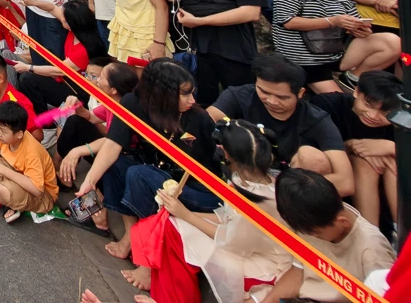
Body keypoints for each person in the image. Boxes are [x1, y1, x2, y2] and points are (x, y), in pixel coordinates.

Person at [125, 119, 295, 301]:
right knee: (171, 222)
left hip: (263, 266)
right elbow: (229, 220)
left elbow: (233, 241)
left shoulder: (263, 200)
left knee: (175, 230)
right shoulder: (248, 179)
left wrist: (187, 215)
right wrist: (183, 214)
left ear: (229, 155)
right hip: (244, 246)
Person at [75, 58, 223, 261]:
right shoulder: (133, 103)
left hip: (194, 189)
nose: (192, 100)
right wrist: (89, 182)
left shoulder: (198, 120)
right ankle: (131, 234)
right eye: (185, 94)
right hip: (156, 174)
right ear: (160, 94)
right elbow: (112, 144)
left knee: (139, 174)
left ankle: (146, 256)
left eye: (191, 92)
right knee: (116, 164)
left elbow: (203, 169)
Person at [206, 54, 354, 196]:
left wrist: (280, 190)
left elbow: (345, 183)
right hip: (242, 171)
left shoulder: (317, 120)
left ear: (301, 93)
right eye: (263, 91)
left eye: (282, 97)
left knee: (311, 156)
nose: (272, 101)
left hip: (291, 186)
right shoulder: (239, 97)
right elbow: (205, 122)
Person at [271, 0, 400, 92]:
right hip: (304, 60)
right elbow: (288, 22)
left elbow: (354, 19)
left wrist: (359, 29)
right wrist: (333, 21)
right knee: (341, 102)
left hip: (335, 54)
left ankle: (352, 78)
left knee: (391, 41)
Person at [270, 168, 395, 303]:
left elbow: (384, 296)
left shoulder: (371, 249)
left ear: (343, 222)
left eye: (316, 233)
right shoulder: (311, 219)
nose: (311, 235)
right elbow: (298, 272)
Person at [310, 71, 401, 228]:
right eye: (368, 105)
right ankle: (372, 233)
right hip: (337, 180)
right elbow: (311, 144)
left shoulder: (400, 123)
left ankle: (402, 232)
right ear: (357, 91)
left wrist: (391, 147)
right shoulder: (327, 105)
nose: (373, 115)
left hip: (385, 190)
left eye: (385, 113)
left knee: (393, 162)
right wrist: (351, 146)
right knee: (365, 162)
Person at [8, 0, 105, 114]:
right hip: (64, 80)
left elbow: (59, 70)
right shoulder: (75, 29)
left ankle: (45, 122)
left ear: (70, 24)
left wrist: (28, 68)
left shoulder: (83, 50)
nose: (60, 16)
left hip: (78, 92)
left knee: (28, 79)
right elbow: (52, 7)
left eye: (63, 17)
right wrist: (32, 2)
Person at [56, 59, 139, 188]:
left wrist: (78, 151)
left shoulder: (127, 110)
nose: (97, 81)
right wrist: (78, 107)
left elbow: (113, 143)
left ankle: (101, 196)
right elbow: (91, 117)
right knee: (75, 121)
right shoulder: (111, 102)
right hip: (110, 145)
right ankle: (64, 168)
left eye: (101, 78)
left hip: (124, 157)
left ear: (113, 89)